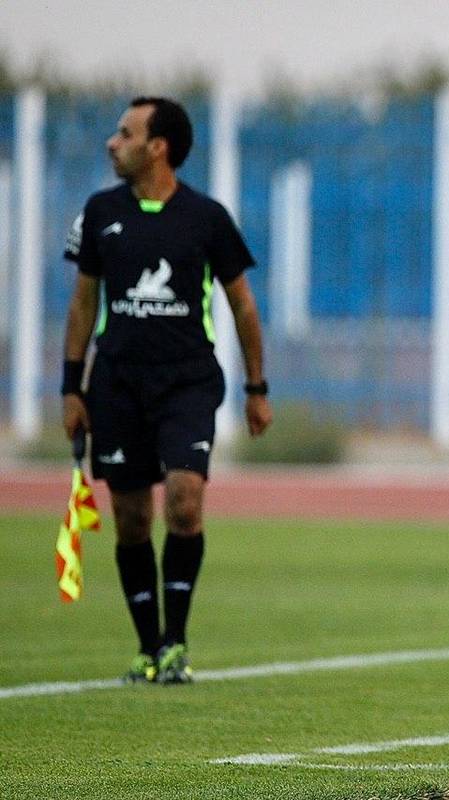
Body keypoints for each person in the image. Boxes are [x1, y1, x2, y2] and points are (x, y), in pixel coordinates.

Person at [61, 96, 273, 684]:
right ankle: (147, 649)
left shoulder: (207, 219)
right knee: (130, 519)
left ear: (159, 148)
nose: (112, 143)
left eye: (125, 134)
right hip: (116, 385)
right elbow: (83, 304)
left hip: (188, 383)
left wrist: (257, 387)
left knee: (183, 499)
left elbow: (243, 305)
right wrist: (71, 387)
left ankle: (176, 644)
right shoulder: (100, 212)